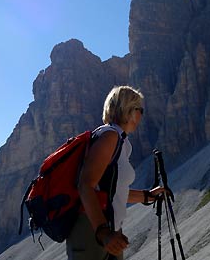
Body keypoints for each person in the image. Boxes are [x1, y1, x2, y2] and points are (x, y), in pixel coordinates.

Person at [66, 85, 166, 260]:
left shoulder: (121, 141)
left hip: (108, 231)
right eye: (140, 109)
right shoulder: (110, 136)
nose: (142, 115)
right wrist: (103, 233)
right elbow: (85, 185)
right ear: (129, 110)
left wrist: (146, 196)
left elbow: (110, 191)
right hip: (93, 232)